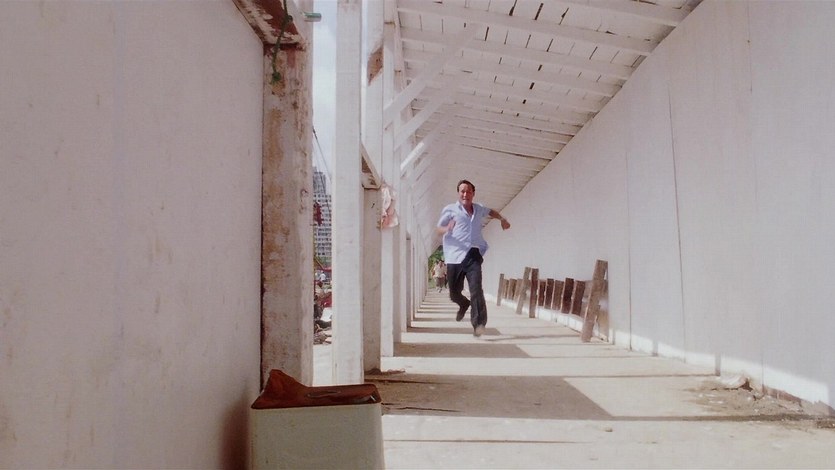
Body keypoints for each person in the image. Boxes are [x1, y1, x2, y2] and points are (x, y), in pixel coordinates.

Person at [436, 179, 510, 337]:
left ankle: (479, 324)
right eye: (462, 191)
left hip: (473, 254)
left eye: (468, 191)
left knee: (476, 288)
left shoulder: (478, 209)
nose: (465, 194)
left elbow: (491, 212)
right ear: (458, 193)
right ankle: (463, 304)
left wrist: (502, 219)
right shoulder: (450, 210)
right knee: (454, 293)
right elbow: (438, 229)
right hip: (455, 256)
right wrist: (447, 228)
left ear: (473, 193)